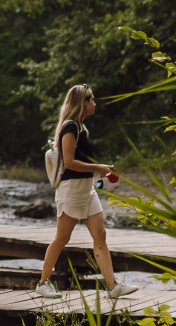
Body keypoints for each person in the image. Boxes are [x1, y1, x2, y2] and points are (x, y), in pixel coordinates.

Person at [35, 84, 135, 299]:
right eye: (92, 100)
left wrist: (101, 168)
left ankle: (112, 286)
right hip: (71, 190)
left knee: (100, 235)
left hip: (87, 189)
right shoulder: (70, 127)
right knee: (62, 238)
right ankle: (42, 283)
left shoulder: (81, 128)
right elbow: (70, 163)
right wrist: (97, 168)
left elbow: (82, 161)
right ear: (83, 102)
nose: (95, 103)